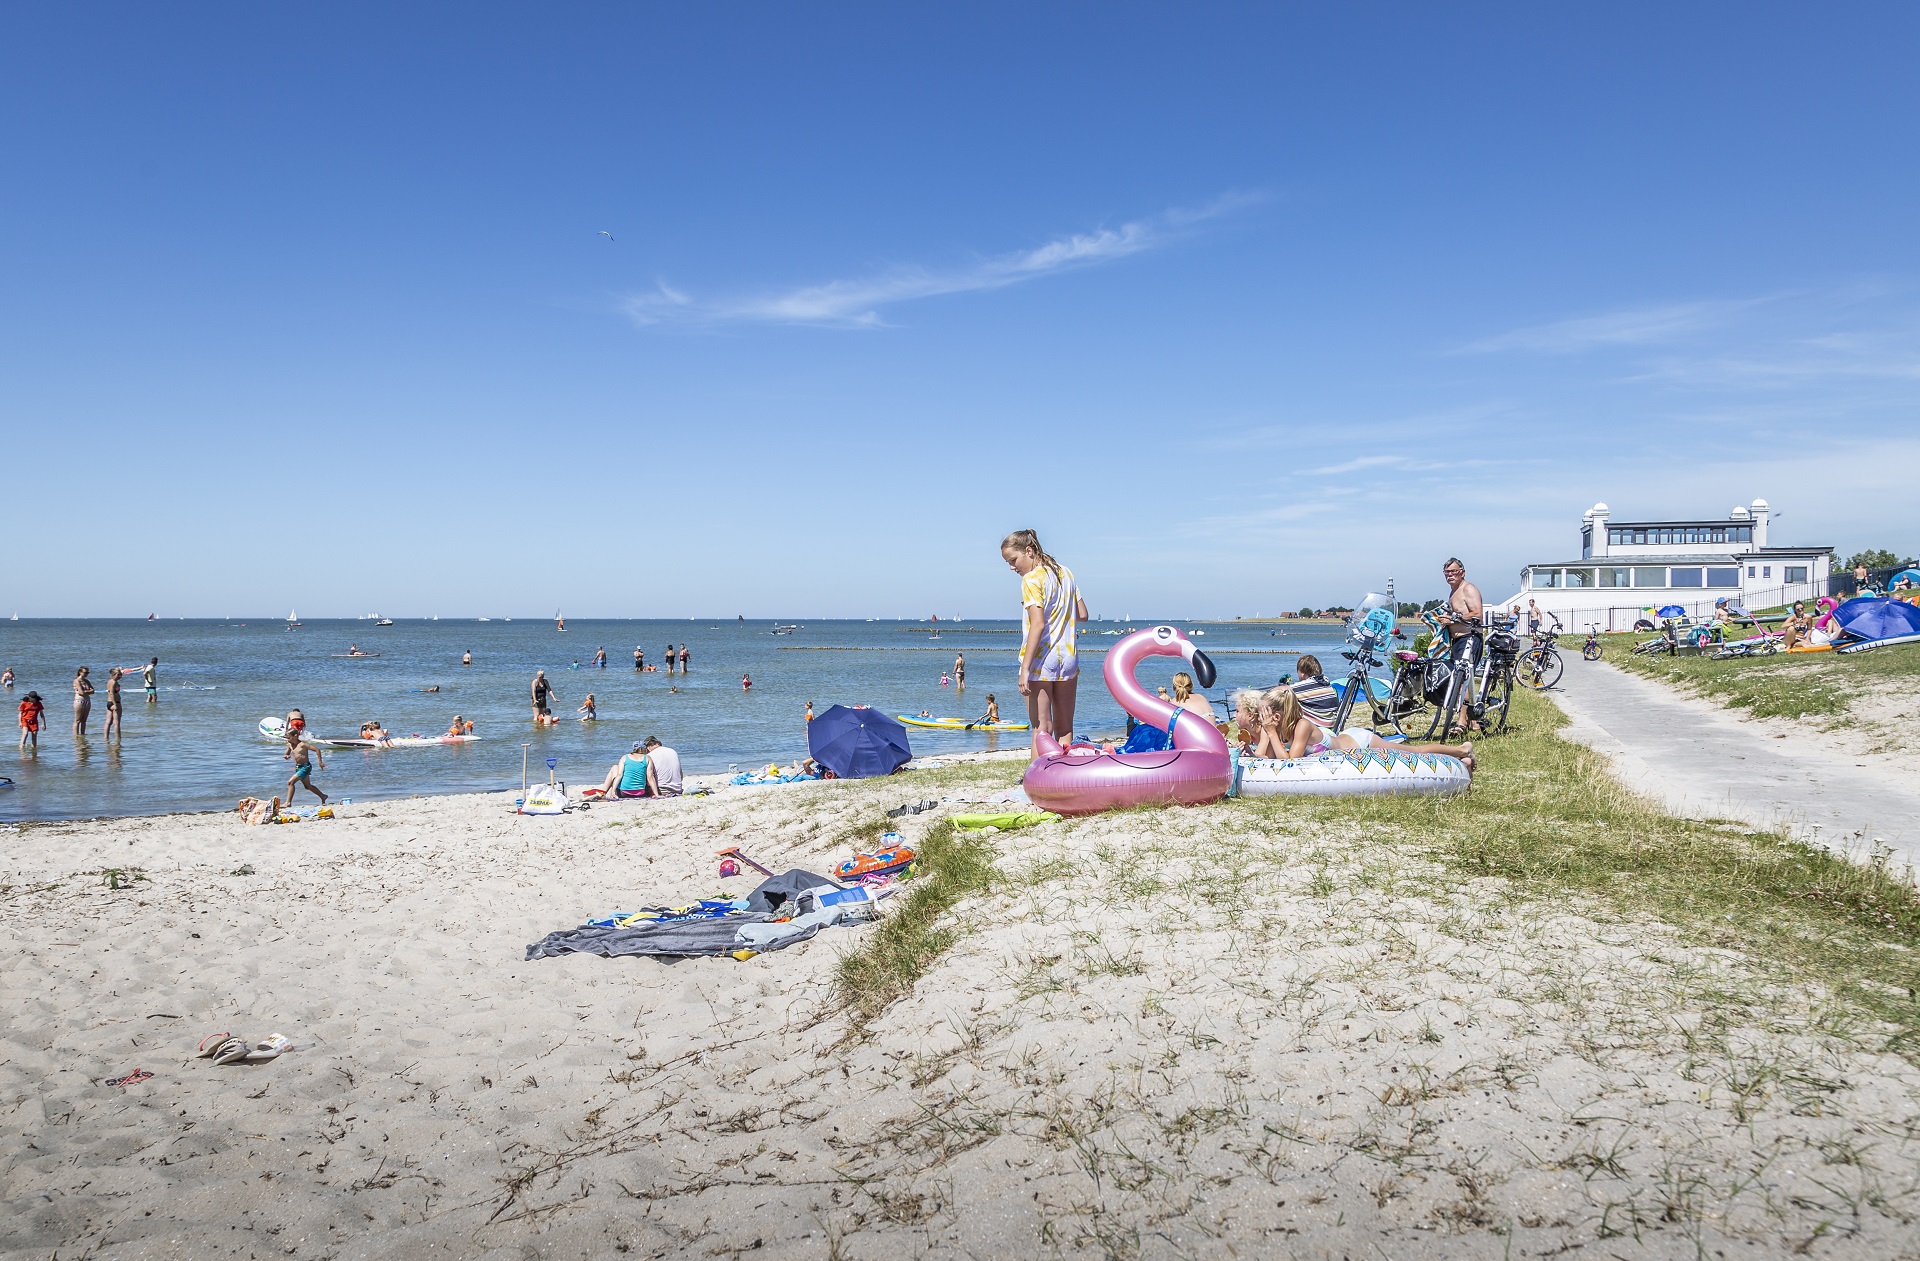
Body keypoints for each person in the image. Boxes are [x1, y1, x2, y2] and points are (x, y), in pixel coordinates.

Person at [1003, 528, 1088, 756]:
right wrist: (1057, 609)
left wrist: (1025, 669)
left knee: (1041, 729)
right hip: (1068, 656)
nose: (1012, 567)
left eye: (1013, 560)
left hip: (1042, 659)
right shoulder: (1066, 573)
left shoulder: (1031, 579)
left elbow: (1038, 625)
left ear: (1029, 551)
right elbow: (1082, 614)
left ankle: (1039, 786)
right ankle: (1063, 782)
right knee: (1064, 728)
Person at [1258, 685, 1475, 772]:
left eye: (1263, 714)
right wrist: (1268, 734)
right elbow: (1268, 757)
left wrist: (1269, 732)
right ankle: (1461, 761)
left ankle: (1463, 750)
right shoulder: (1278, 729)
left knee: (1414, 752)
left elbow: (1291, 763)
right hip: (1345, 742)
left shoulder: (1302, 726)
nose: (1261, 719)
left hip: (1359, 742)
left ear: (1276, 716)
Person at [1440, 558, 1485, 731]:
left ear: (1462, 572)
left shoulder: (1468, 588)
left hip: (1470, 637)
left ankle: (1461, 721)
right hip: (1458, 640)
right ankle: (1473, 721)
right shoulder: (1454, 591)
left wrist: (1452, 618)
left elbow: (1477, 613)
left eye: (1454, 571)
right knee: (1463, 679)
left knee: (1462, 679)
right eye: (1447, 573)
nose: (1450, 575)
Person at [1288, 655, 1340, 723]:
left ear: (1302, 673)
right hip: (1331, 723)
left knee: (1288, 698)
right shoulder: (1325, 683)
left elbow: (1284, 690)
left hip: (1317, 725)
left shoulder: (1307, 685)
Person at [284, 732, 328, 804]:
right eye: (286, 738)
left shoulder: (302, 744)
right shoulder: (290, 745)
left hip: (306, 766)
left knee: (290, 782)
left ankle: (288, 803)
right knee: (307, 786)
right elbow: (286, 754)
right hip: (298, 767)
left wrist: (320, 762)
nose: (287, 739)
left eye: (288, 737)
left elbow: (317, 750)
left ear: (295, 736)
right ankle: (323, 796)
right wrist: (286, 756)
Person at [71, 666, 95, 737]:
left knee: (84, 721)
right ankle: (76, 736)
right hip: (79, 701)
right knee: (77, 720)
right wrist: (88, 691)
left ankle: (82, 735)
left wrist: (86, 691)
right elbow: (81, 693)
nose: (86, 674)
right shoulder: (77, 681)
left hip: (87, 701)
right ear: (80, 672)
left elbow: (93, 691)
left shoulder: (87, 681)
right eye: (85, 672)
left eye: (88, 673)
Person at [103, 668, 125, 740]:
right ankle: (118, 739)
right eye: (118, 675)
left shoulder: (110, 681)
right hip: (115, 703)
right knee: (116, 722)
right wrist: (115, 704)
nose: (120, 676)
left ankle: (106, 738)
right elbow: (112, 693)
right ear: (113, 675)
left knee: (108, 722)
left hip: (109, 703)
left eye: (120, 675)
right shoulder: (113, 682)